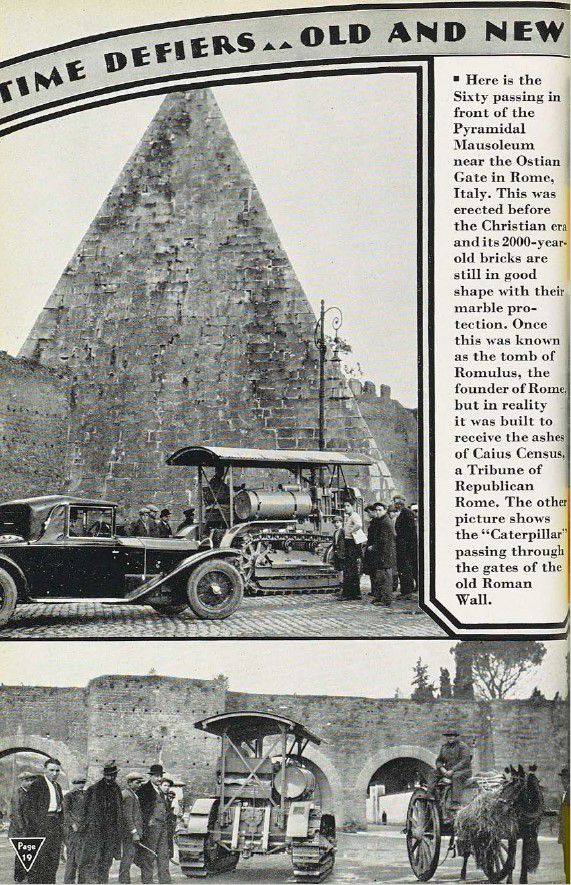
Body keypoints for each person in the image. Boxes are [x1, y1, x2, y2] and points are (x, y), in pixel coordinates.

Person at [77, 760, 123, 884]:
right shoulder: (93, 790)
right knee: (93, 861)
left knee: (107, 862)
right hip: (95, 833)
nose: (111, 777)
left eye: (113, 774)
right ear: (104, 775)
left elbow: (119, 812)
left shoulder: (117, 790)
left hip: (111, 833)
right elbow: (84, 813)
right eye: (109, 774)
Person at [22, 757, 65, 884]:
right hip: (41, 827)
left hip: (55, 825)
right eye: (51, 770)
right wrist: (39, 827)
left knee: (53, 861)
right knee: (39, 862)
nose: (55, 773)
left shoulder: (58, 786)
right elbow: (28, 809)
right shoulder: (37, 785)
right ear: (45, 770)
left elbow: (60, 808)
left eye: (57, 770)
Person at [430, 729, 472, 817]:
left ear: (456, 737)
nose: (451, 738)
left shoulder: (463, 746)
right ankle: (430, 794)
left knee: (456, 777)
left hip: (463, 771)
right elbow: (439, 760)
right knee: (433, 773)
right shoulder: (444, 747)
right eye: (448, 736)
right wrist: (442, 768)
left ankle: (455, 802)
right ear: (446, 737)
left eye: (452, 736)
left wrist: (452, 770)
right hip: (447, 770)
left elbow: (465, 761)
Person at [365, 502, 396, 607]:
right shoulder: (379, 521)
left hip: (385, 555)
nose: (377, 512)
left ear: (385, 510)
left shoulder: (386, 522)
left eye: (380, 510)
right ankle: (379, 597)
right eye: (376, 510)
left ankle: (386, 599)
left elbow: (384, 540)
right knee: (379, 577)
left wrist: (374, 547)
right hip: (380, 554)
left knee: (385, 577)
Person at [8, 770, 37, 883]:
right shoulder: (17, 794)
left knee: (29, 853)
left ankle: (26, 875)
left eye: (31, 780)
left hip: (29, 829)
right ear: (21, 781)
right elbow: (16, 814)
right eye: (27, 780)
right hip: (20, 830)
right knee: (21, 853)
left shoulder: (30, 794)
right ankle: (19, 877)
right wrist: (22, 829)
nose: (30, 782)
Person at [118, 772, 144, 884]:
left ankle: (124, 880)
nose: (139, 785)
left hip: (130, 831)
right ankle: (124, 881)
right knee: (128, 857)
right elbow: (128, 816)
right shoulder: (128, 795)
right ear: (129, 783)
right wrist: (134, 832)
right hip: (129, 833)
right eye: (137, 782)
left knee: (130, 856)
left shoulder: (131, 794)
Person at [337, 501, 364, 600]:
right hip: (350, 543)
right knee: (350, 569)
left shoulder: (354, 515)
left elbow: (359, 525)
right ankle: (354, 593)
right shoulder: (349, 517)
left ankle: (349, 594)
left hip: (352, 543)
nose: (345, 508)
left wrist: (350, 531)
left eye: (348, 506)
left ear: (352, 506)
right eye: (344, 506)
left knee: (350, 569)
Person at [63, 775, 87, 884]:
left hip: (84, 829)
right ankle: (69, 881)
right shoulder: (69, 796)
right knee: (72, 857)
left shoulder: (87, 795)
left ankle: (82, 881)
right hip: (73, 830)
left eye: (82, 782)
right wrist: (72, 824)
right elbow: (66, 812)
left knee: (83, 856)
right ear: (74, 784)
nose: (81, 785)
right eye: (78, 783)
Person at [393, 495, 418, 599]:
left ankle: (407, 592)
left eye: (397, 502)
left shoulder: (406, 513)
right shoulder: (403, 513)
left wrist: (403, 543)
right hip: (404, 545)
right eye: (395, 502)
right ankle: (405, 591)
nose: (396, 504)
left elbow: (409, 532)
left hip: (406, 547)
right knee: (403, 569)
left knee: (405, 569)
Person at [559, 764, 569, 883]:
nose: (562, 781)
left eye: (565, 778)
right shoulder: (565, 793)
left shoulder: (569, 792)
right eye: (562, 778)